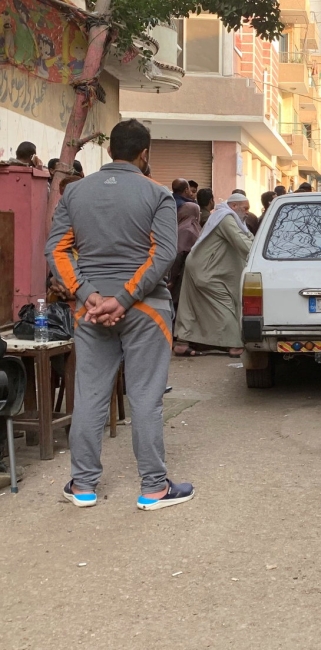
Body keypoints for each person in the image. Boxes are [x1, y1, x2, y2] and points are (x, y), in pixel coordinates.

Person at [44, 118, 194, 511]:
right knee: (146, 396)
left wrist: (90, 296)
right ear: (144, 154)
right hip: (147, 310)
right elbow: (163, 253)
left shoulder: (75, 193)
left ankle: (83, 486)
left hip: (90, 312)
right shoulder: (157, 194)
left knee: (90, 395)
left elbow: (56, 250)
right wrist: (125, 299)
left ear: (110, 151)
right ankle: (154, 488)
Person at [173, 193, 254, 358]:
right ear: (234, 207)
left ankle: (182, 343)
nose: (247, 212)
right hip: (206, 271)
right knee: (225, 306)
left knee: (191, 307)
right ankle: (234, 344)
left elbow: (248, 237)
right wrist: (262, 255)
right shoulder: (226, 219)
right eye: (245, 208)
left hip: (200, 267)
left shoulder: (228, 218)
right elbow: (243, 243)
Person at [168, 202, 203, 310]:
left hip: (182, 277)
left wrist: (171, 280)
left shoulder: (185, 230)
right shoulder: (197, 228)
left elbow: (178, 256)